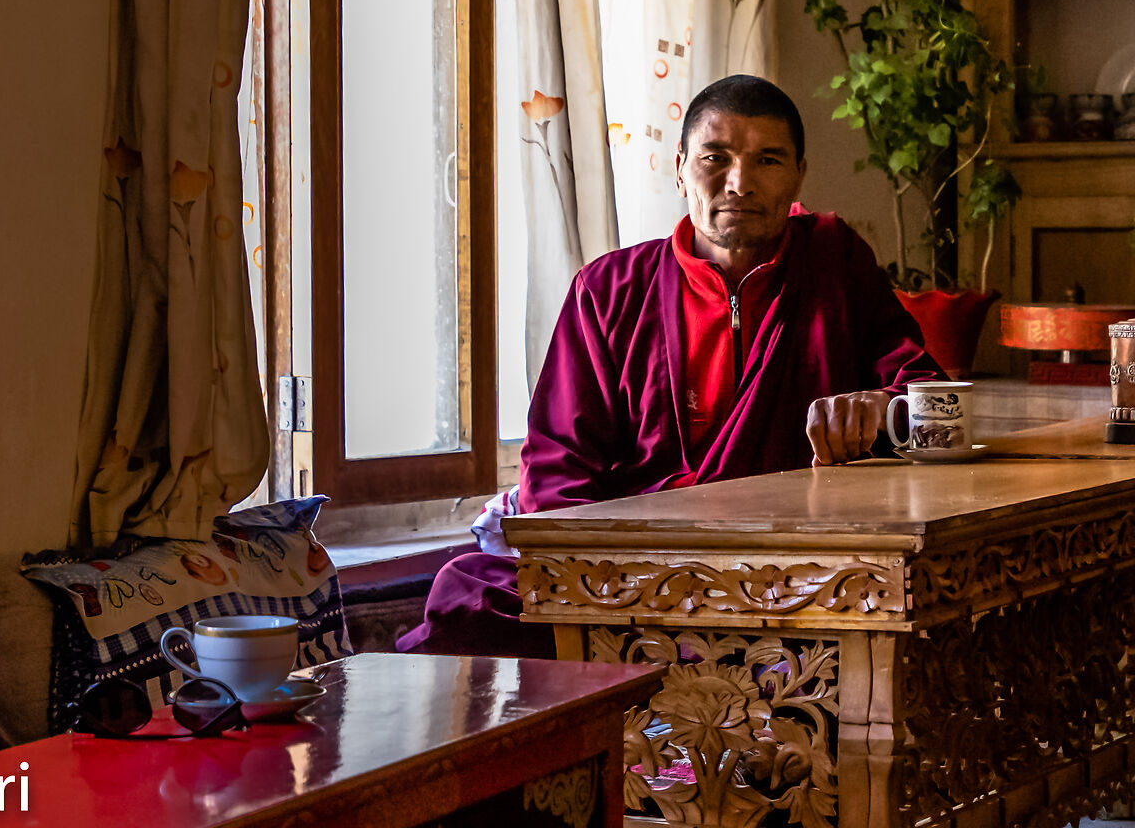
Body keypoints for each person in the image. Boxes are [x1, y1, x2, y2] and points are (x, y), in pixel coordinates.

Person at [399, 73, 942, 656]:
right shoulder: (609, 290)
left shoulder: (834, 264)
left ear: (798, 175)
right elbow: (558, 471)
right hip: (639, 568)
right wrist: (616, 579)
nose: (740, 183)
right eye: (715, 157)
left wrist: (884, 408)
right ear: (680, 169)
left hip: (791, 566)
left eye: (767, 160)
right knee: (470, 597)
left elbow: (932, 403)